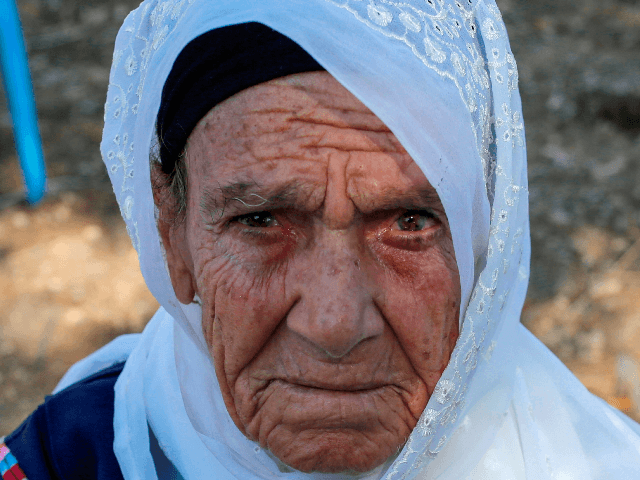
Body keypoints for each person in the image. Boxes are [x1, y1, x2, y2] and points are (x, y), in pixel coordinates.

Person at [2, 0, 640, 479]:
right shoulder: (71, 458)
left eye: (409, 223)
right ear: (172, 231)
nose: (335, 324)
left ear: (482, 244)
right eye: (260, 221)